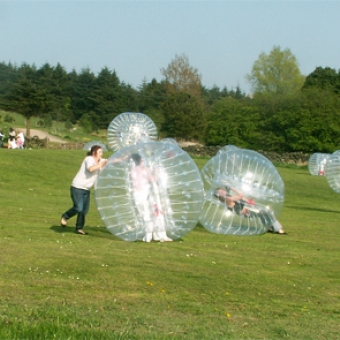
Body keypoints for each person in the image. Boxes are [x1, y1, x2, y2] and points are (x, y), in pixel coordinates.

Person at [61, 145, 108, 235]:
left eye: (102, 152)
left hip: (86, 189)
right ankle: (65, 216)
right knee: (79, 207)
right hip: (77, 187)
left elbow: (110, 161)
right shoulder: (89, 159)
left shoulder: (100, 161)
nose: (101, 154)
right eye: (100, 152)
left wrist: (124, 157)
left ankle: (79, 228)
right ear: (94, 153)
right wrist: (100, 165)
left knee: (84, 210)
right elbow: (90, 169)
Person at [130, 153, 172, 242]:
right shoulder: (145, 169)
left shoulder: (133, 170)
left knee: (146, 216)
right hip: (146, 195)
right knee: (156, 214)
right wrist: (156, 172)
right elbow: (153, 180)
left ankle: (148, 236)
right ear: (141, 160)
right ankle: (160, 235)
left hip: (137, 196)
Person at [213, 185, 287, 235]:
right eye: (221, 192)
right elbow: (240, 196)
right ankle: (278, 229)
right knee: (267, 212)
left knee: (263, 213)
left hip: (247, 208)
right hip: (245, 211)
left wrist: (248, 201)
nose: (223, 191)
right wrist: (232, 188)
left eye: (222, 190)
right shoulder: (227, 199)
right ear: (219, 195)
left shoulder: (229, 197)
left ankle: (270, 227)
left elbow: (242, 198)